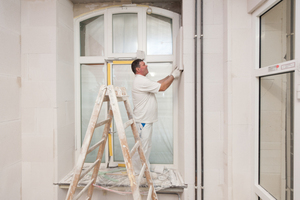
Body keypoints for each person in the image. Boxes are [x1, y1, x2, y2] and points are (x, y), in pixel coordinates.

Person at [130, 59, 182, 174]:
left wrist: (170, 75)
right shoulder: (140, 81)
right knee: (142, 147)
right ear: (138, 69)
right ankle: (137, 172)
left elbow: (158, 83)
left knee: (145, 146)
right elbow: (162, 87)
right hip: (142, 121)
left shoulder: (143, 80)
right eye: (144, 64)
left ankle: (143, 168)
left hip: (144, 120)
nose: (146, 65)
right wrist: (173, 76)